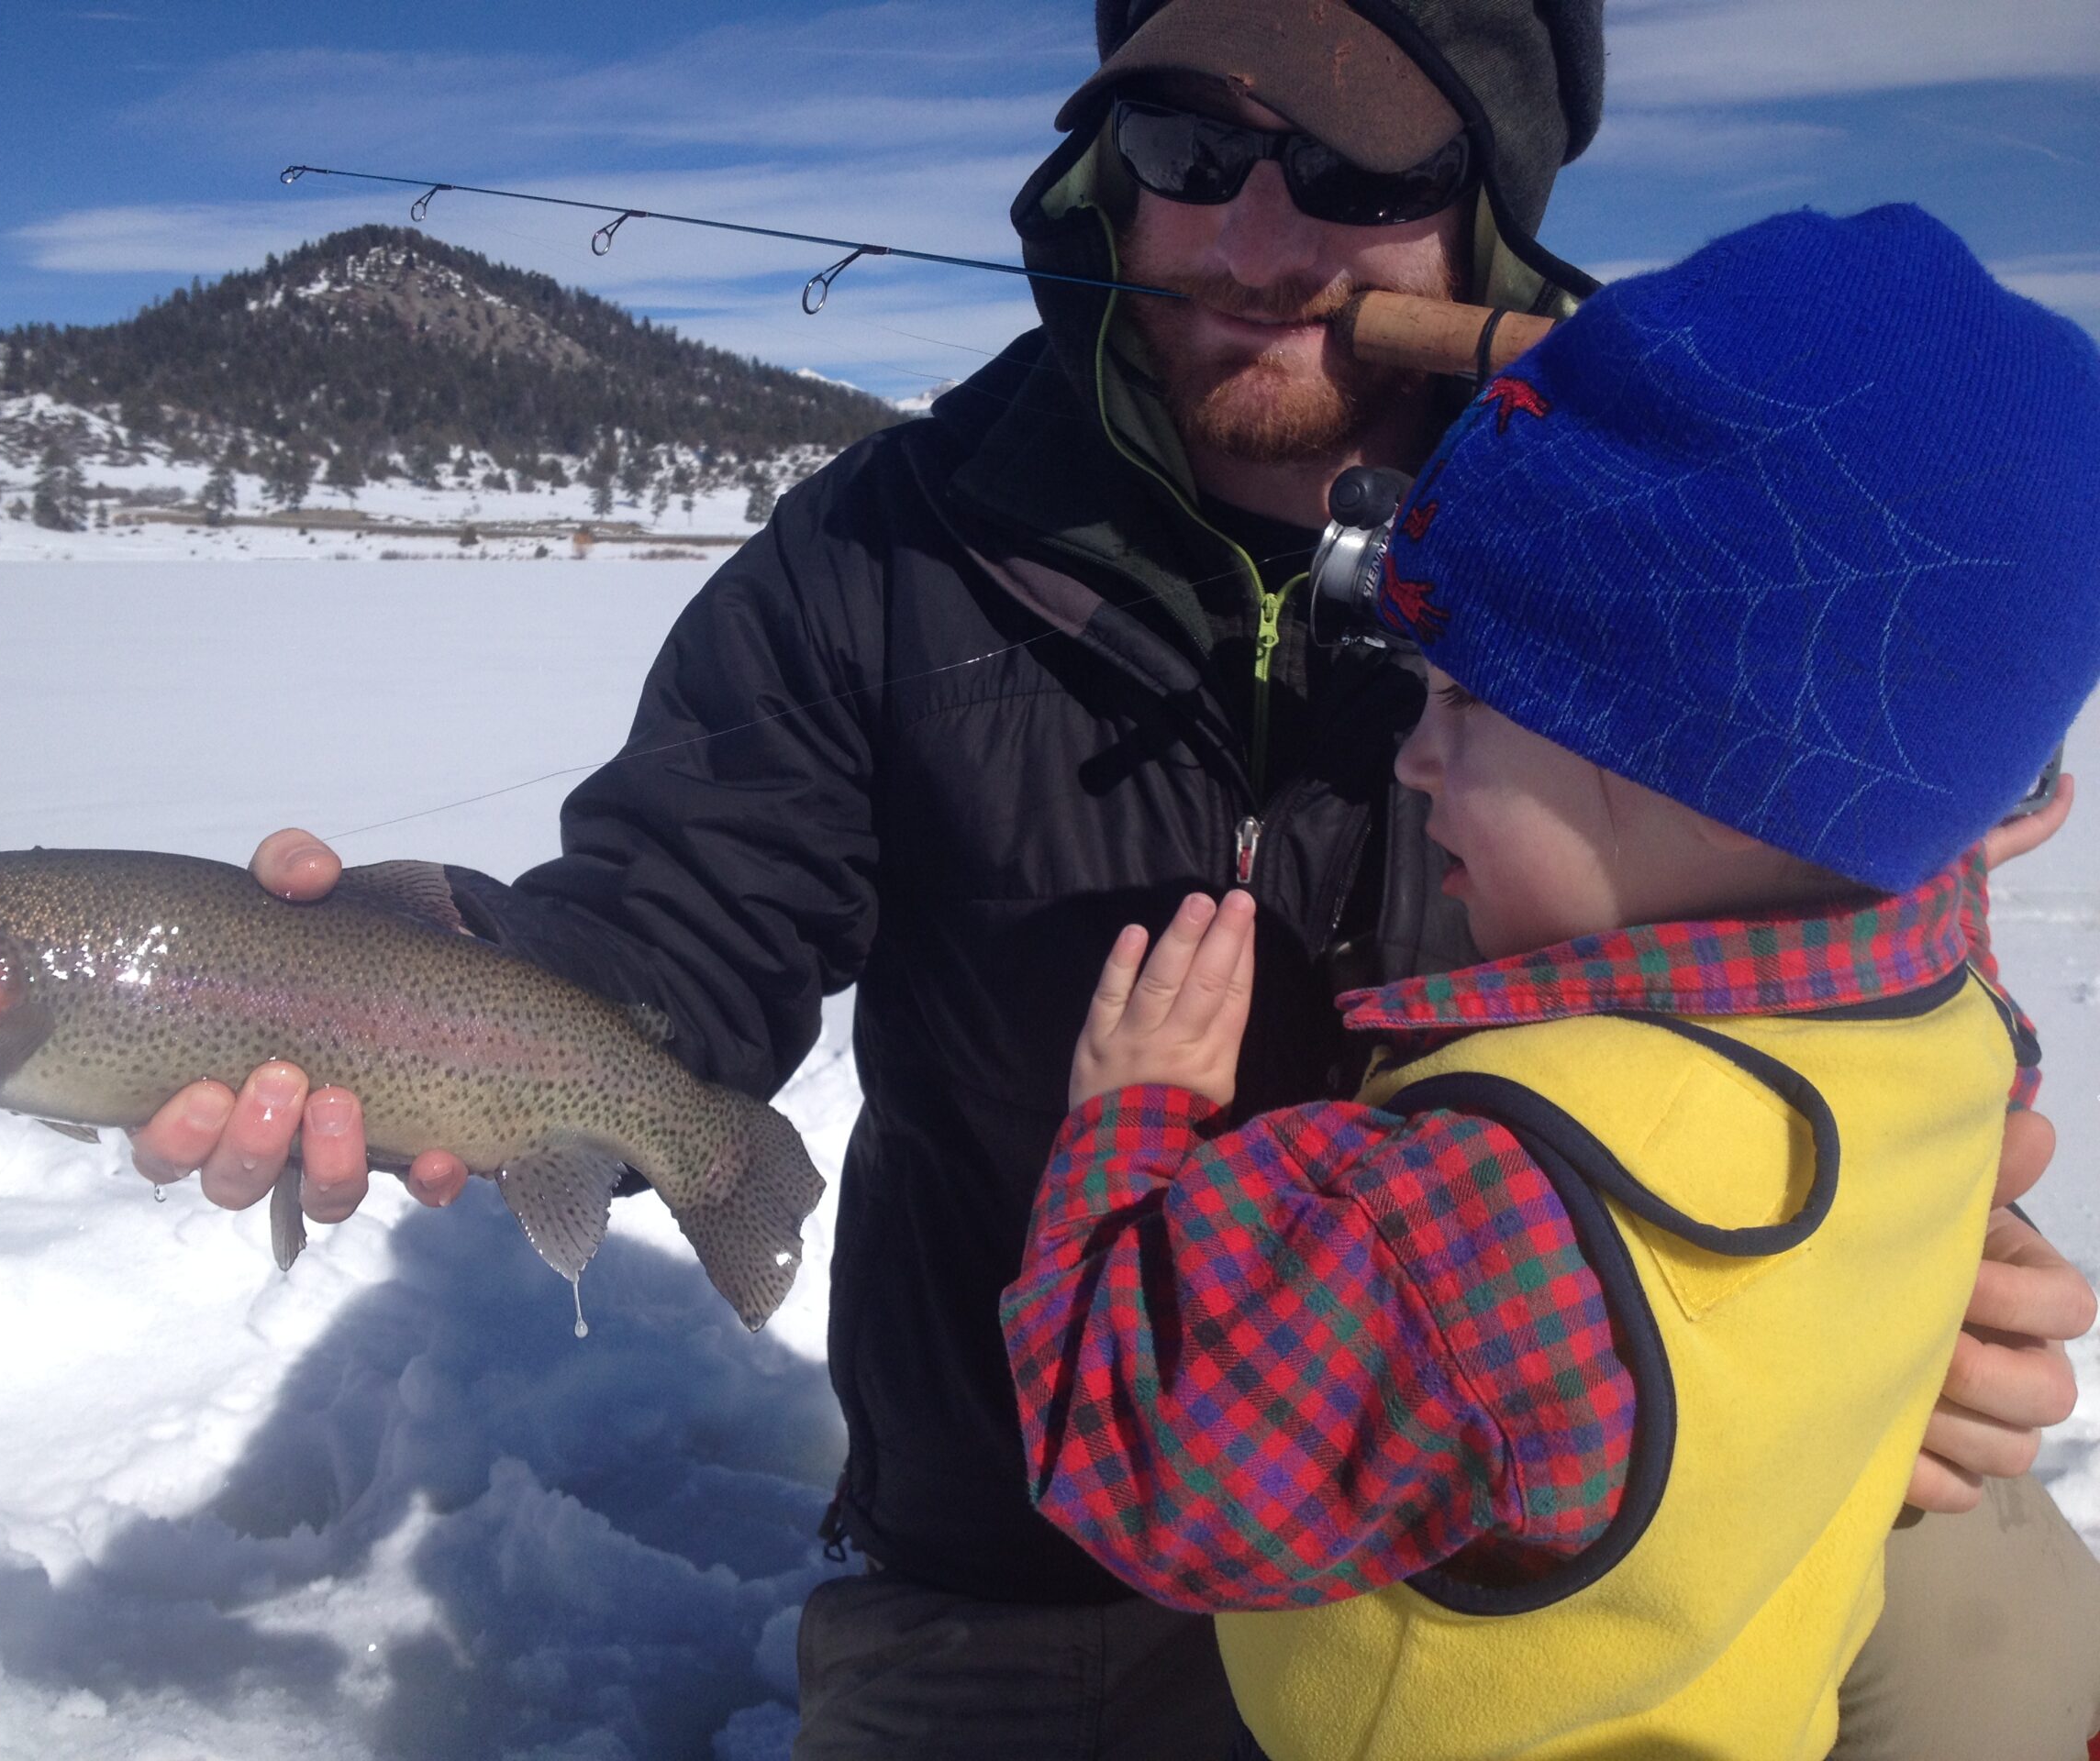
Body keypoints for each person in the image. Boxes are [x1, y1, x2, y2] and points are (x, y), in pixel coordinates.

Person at [128, 4, 2100, 1755]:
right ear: (1099, 177)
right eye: (1184, 147)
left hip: (1610, 1496)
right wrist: (423, 989)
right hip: (1043, 1531)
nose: (1251, 239)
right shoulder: (883, 557)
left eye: (1351, 165)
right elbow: (675, 923)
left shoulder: (1700, 590)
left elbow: (1877, 1020)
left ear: (1483, 199)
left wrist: (1917, 1279)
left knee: (2016, 1673)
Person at [1002, 203, 2100, 1759]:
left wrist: (1133, 1131)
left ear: (1696, 770)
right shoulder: (1951, 1006)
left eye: (1464, 698)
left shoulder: (1478, 1218)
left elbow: (1143, 1451)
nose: (1417, 755)